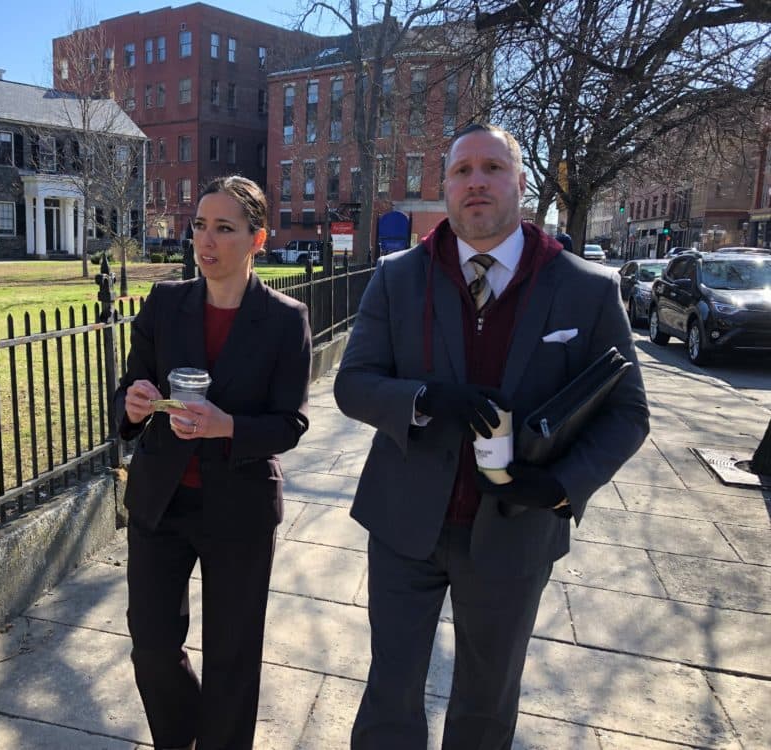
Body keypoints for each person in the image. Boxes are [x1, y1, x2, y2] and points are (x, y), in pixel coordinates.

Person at [334, 123, 649, 749]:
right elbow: (353, 384)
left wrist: (561, 486)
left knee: (487, 701)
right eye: (460, 171)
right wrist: (423, 399)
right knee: (389, 694)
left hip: (513, 534)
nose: (476, 181)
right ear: (445, 188)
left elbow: (628, 414)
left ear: (521, 183)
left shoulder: (584, 288)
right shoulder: (398, 277)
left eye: (492, 168)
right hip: (404, 528)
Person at [114, 176, 312, 750]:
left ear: (257, 239)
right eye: (200, 225)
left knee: (231, 656)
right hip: (162, 500)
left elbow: (290, 422)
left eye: (224, 228)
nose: (207, 240)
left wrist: (229, 426)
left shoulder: (283, 318)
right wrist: (132, 403)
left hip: (240, 506)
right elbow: (132, 385)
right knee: (151, 647)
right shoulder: (165, 303)